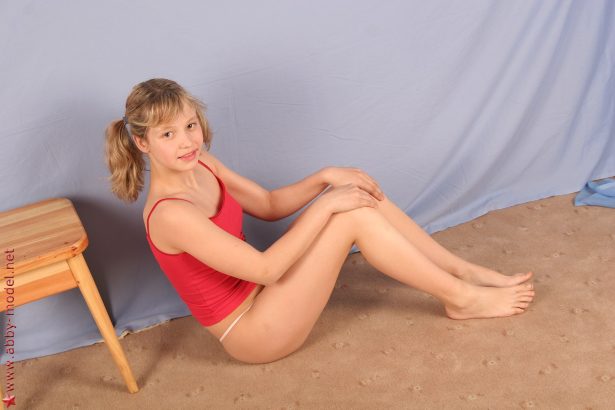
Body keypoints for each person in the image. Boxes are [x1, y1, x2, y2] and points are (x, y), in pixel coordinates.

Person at [105, 78, 535, 364]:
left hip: (268, 295)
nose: (187, 142)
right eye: (168, 134)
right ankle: (461, 298)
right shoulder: (170, 214)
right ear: (142, 142)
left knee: (355, 194)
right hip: (253, 331)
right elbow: (265, 269)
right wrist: (327, 205)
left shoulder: (204, 164)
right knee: (349, 215)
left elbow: (269, 203)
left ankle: (461, 271)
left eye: (190, 125)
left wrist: (327, 177)